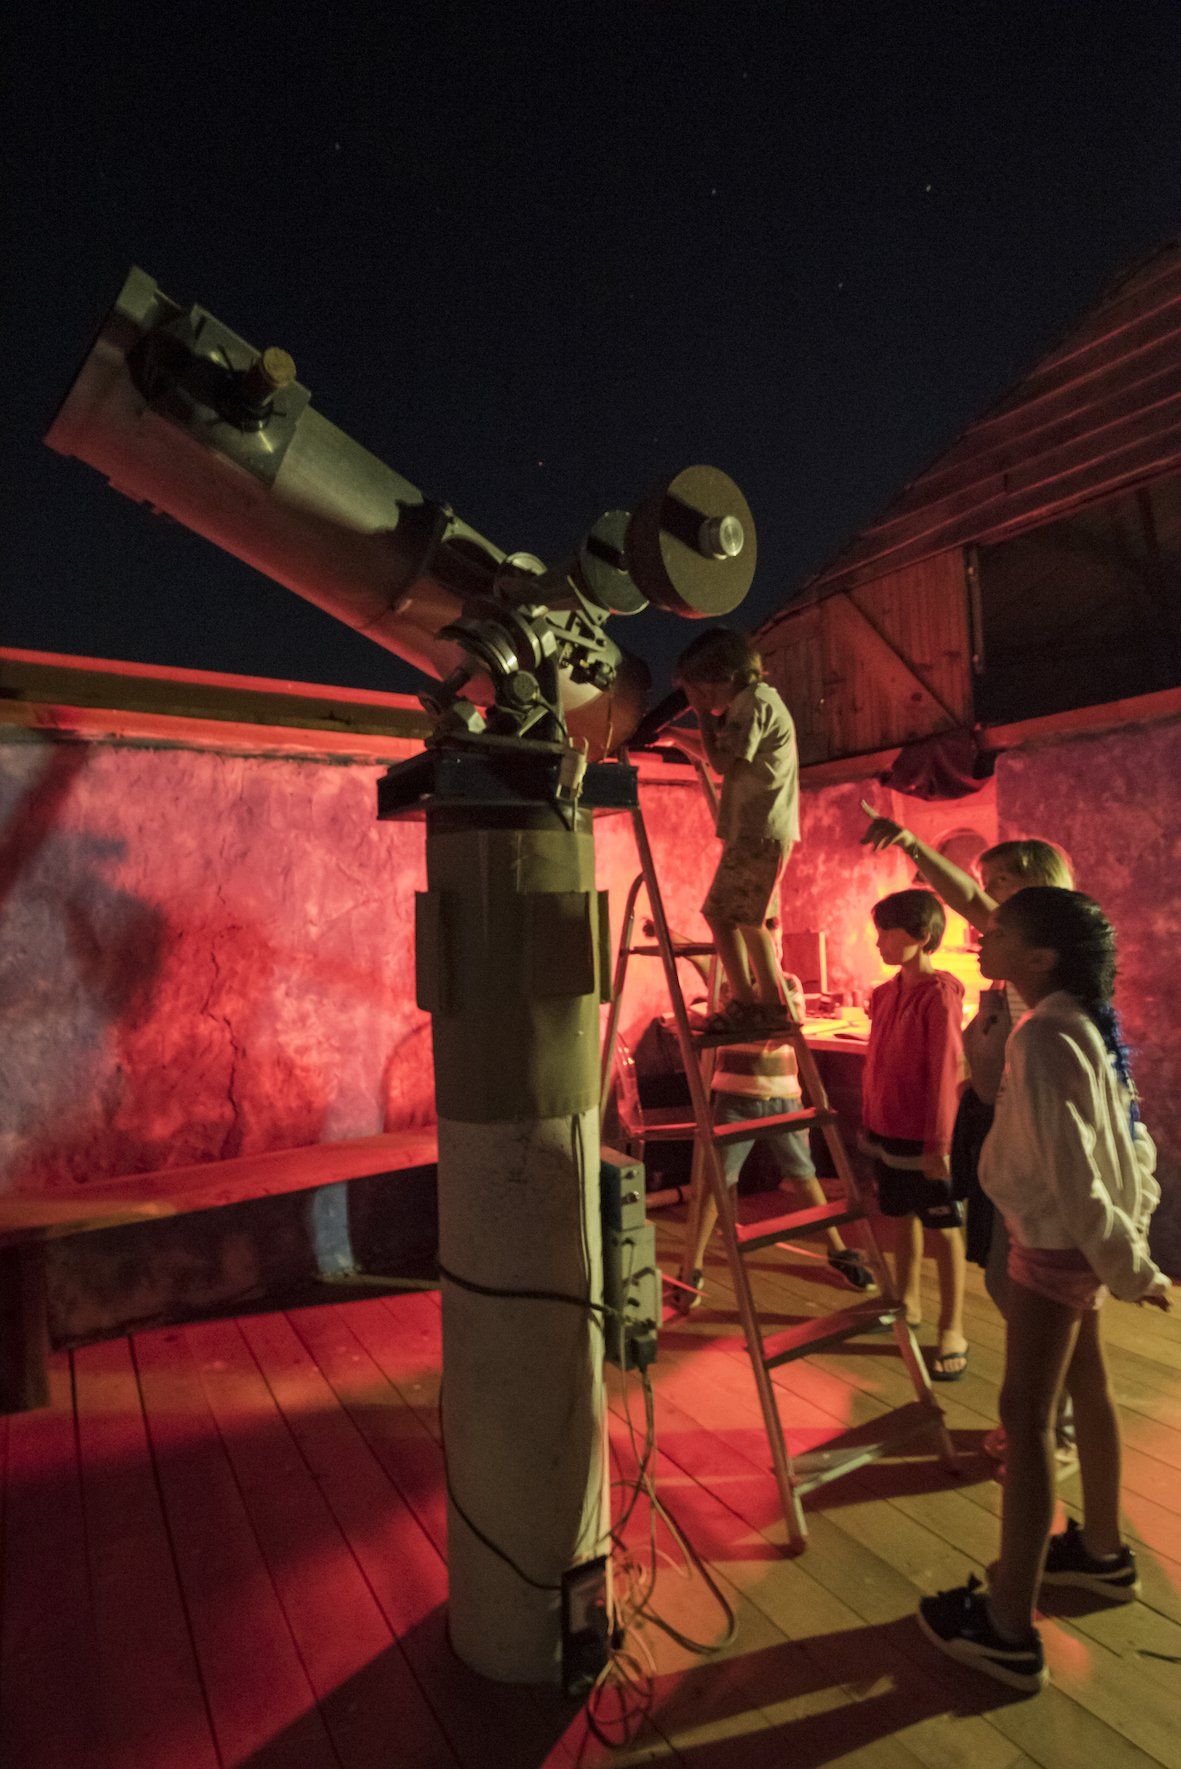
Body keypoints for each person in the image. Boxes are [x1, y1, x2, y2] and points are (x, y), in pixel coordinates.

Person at [917, 887, 1171, 1694]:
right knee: (1085, 1386)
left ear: (1040, 957)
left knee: (1025, 1416)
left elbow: (1074, 1167)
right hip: (1073, 1244)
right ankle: (1100, 1550)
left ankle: (1005, 1629)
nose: (979, 938)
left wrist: (1129, 1265)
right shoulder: (1076, 1024)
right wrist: (1123, 1248)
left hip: (1053, 1246)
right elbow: (1125, 1146)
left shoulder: (1043, 1035)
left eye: (995, 931)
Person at [860, 811, 1077, 1468]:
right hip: (1014, 1135)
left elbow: (964, 901)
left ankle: (1053, 1429)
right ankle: (1049, 1420)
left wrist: (913, 845)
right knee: (1013, 1283)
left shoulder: (1057, 960)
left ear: (1037, 886)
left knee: (1041, 1292)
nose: (986, 902)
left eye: (1000, 881)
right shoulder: (1021, 969)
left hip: (1047, 1143)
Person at [670, 973, 877, 1312]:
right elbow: (717, 992)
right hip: (735, 1097)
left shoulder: (788, 983)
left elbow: (786, 1028)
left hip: (782, 1095)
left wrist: (742, 1015)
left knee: (803, 1175)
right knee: (715, 1182)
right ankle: (692, 1265)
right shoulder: (728, 983)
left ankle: (838, 1251)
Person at [860, 889, 968, 1379]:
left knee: (943, 1228)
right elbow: (876, 1064)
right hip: (889, 1129)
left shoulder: (939, 995)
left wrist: (939, 1144)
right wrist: (869, 1121)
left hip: (925, 1135)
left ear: (921, 937)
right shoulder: (884, 994)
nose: (879, 942)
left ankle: (953, 1325)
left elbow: (946, 1072)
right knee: (900, 1216)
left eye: (888, 932)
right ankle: (908, 1301)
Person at [672, 628, 799, 1037]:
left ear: (724, 677)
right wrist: (675, 736)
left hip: (758, 830)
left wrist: (699, 718)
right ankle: (761, 1001)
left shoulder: (752, 705)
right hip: (760, 830)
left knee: (732, 916)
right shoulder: (759, 702)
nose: (700, 700)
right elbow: (722, 758)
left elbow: (722, 763)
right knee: (740, 917)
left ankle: (758, 1002)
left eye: (700, 690)